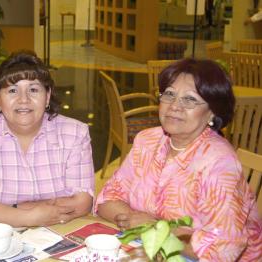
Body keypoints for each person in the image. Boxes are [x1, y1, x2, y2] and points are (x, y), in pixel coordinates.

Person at [96, 58, 262, 261]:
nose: (175, 106)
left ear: (212, 111)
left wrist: (155, 228)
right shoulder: (147, 141)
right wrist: (133, 219)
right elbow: (106, 200)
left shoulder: (219, 163)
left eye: (190, 99)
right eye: (169, 94)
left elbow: (222, 249)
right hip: (152, 251)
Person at [0, 50, 95, 227]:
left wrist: (8, 209)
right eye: (12, 90)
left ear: (48, 96)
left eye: (33, 89)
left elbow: (82, 202)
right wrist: (29, 217)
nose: (23, 100)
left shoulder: (75, 134)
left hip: (60, 233)